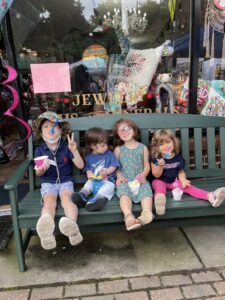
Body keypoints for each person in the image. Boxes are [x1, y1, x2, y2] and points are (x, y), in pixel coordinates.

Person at [34, 111, 84, 250]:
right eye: (46, 126)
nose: (50, 129)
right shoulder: (40, 150)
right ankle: (47, 233)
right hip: (48, 183)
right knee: (49, 201)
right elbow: (38, 173)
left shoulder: (66, 147)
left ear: (60, 130)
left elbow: (80, 166)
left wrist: (74, 150)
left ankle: (72, 228)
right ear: (40, 131)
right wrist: (42, 169)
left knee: (67, 199)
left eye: (54, 126)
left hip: (66, 181)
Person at [150, 129, 225, 215]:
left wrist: (183, 180)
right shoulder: (156, 159)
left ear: (174, 142)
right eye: (161, 144)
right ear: (157, 147)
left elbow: (180, 171)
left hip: (173, 182)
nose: (166, 146)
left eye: (168, 142)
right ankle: (160, 202)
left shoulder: (177, 158)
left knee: (188, 187)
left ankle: (211, 196)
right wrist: (160, 166)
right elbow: (156, 175)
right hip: (159, 180)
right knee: (159, 186)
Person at [114, 118, 154, 231]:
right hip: (126, 180)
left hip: (139, 180)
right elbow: (115, 166)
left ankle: (146, 213)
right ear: (118, 134)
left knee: (146, 191)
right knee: (123, 193)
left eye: (127, 128)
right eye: (121, 131)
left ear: (134, 130)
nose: (124, 132)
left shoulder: (143, 148)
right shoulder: (118, 149)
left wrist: (143, 176)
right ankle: (128, 216)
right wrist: (118, 175)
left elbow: (147, 165)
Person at [72, 127, 120, 211]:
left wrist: (107, 171)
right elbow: (87, 169)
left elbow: (114, 166)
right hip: (94, 180)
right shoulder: (89, 157)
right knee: (88, 184)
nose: (106, 147)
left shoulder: (109, 154)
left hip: (108, 180)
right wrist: (89, 173)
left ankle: (96, 201)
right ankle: (82, 196)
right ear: (93, 146)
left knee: (106, 188)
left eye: (106, 144)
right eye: (102, 145)